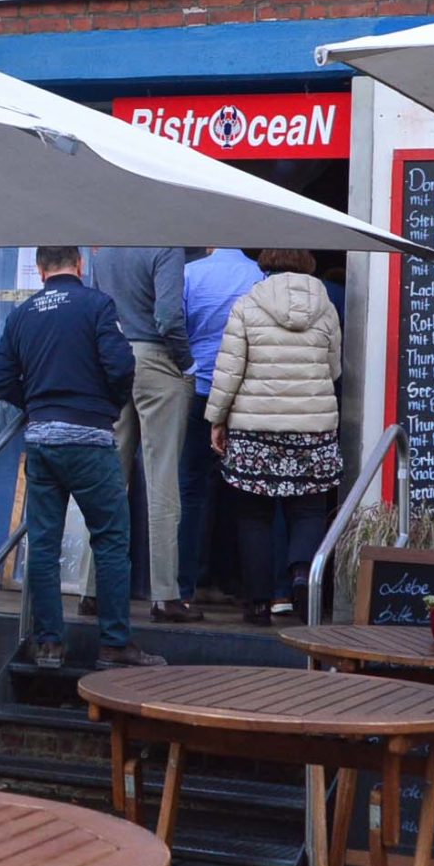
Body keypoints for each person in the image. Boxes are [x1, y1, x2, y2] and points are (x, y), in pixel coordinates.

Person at [0, 246, 164, 672]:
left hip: (42, 441)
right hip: (90, 440)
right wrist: (107, 405)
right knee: (111, 539)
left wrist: (36, 403)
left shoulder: (21, 315)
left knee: (43, 544)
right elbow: (121, 366)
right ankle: (114, 643)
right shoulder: (97, 305)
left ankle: (49, 644)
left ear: (40, 269)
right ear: (80, 265)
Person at [205, 248, 345, 624]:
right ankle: (301, 578)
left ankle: (257, 603)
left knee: (254, 515)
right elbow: (334, 368)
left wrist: (217, 419)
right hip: (312, 427)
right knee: (308, 509)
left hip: (255, 427)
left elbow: (229, 371)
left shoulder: (247, 304)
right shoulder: (326, 307)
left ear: (266, 261)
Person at [77, 247, 196, 623]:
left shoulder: (105, 251)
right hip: (157, 361)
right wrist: (187, 363)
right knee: (162, 480)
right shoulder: (166, 247)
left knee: (108, 481)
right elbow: (169, 317)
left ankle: (92, 589)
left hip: (114, 361)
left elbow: (99, 313)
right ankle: (165, 595)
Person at [179, 247, 264, 611]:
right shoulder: (258, 277)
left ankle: (187, 584)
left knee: (190, 487)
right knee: (244, 489)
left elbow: (174, 326)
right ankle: (236, 581)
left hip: (197, 388)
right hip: (244, 395)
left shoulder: (189, 274)